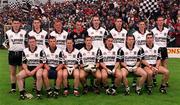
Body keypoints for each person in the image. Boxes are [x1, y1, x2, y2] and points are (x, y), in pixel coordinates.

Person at [3, 18, 27, 93]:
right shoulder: (8, 33)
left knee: (21, 72)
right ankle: (13, 88)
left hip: (21, 54)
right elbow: (6, 44)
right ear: (12, 24)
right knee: (12, 72)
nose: (16, 25)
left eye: (17, 23)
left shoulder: (24, 32)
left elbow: (26, 43)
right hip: (12, 54)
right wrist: (11, 49)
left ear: (20, 24)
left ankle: (23, 88)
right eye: (14, 23)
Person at [151, 16, 170, 86]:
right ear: (157, 22)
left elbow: (168, 39)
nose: (160, 22)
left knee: (165, 65)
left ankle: (165, 80)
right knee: (156, 65)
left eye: (162, 20)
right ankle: (154, 78)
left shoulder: (167, 30)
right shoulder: (153, 31)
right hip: (156, 50)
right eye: (159, 20)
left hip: (164, 49)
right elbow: (151, 40)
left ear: (163, 21)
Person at [131, 20, 150, 87]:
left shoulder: (148, 33)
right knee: (137, 66)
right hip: (137, 53)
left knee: (146, 66)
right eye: (140, 24)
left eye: (143, 24)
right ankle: (134, 80)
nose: (142, 26)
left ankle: (147, 80)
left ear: (145, 25)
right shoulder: (135, 34)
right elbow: (133, 43)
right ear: (138, 25)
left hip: (146, 53)